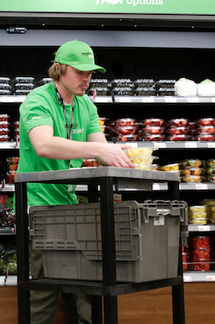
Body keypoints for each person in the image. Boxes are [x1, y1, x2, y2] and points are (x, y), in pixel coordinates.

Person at [17, 40, 134, 324]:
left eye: (90, 72)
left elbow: (101, 149)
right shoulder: (37, 100)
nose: (86, 78)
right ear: (59, 69)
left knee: (86, 286)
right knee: (45, 290)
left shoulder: (86, 106)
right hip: (40, 208)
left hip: (72, 208)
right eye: (80, 71)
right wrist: (98, 150)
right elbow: (43, 144)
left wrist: (125, 156)